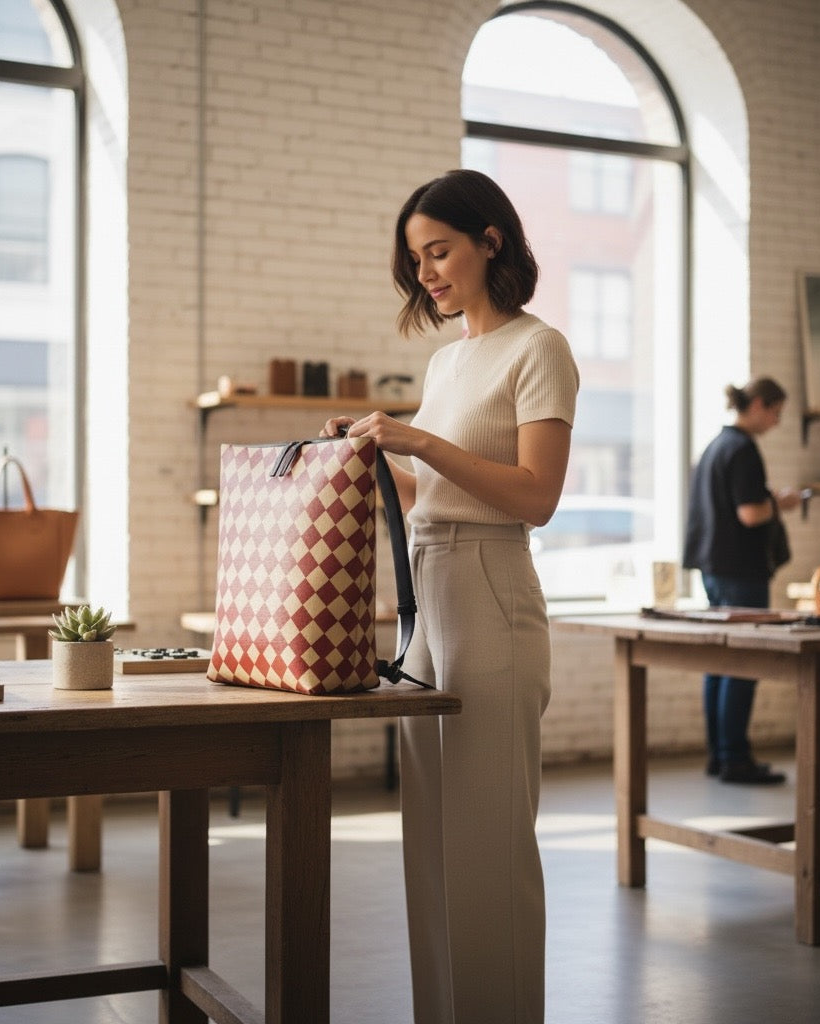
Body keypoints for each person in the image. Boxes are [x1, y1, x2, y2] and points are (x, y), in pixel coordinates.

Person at [322, 169, 579, 1024]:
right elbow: (430, 494)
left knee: (488, 844)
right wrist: (371, 457)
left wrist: (423, 440)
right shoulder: (447, 359)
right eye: (416, 257)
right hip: (429, 594)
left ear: (490, 241)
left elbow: (536, 495)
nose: (426, 271)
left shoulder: (539, 348)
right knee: (429, 842)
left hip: (493, 590)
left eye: (439, 250)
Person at [682, 377, 801, 785]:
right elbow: (751, 514)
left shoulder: (715, 446)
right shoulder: (744, 450)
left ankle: (720, 755)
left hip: (713, 568)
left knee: (720, 662)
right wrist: (780, 502)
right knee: (744, 662)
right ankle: (735, 758)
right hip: (741, 571)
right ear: (758, 406)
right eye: (776, 412)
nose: (777, 422)